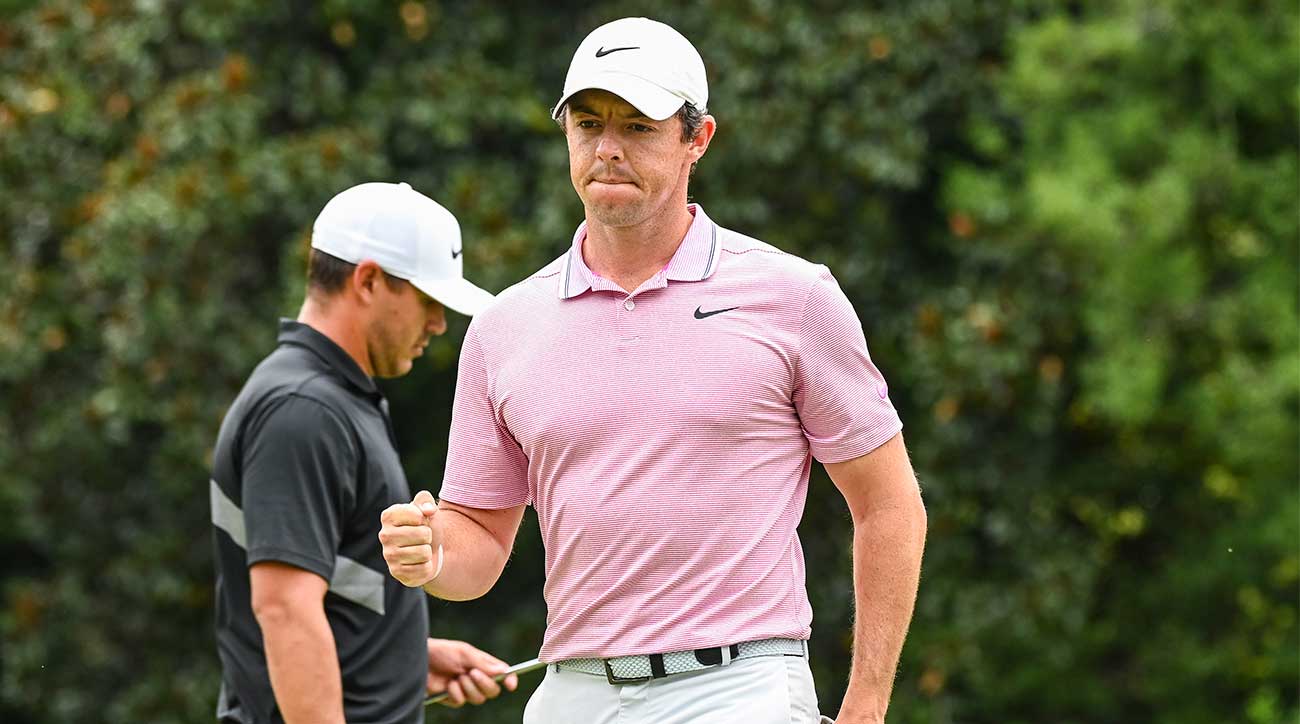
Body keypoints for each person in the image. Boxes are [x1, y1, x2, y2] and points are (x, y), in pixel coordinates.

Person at [379, 16, 926, 724]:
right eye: (588, 124)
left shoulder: (795, 299)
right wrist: (430, 554)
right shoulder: (503, 327)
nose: (607, 149)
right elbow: (479, 544)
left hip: (739, 687)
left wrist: (867, 705)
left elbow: (888, 505)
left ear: (697, 140)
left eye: (638, 127)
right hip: (572, 692)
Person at [209, 182, 517, 724]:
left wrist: (403, 657)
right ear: (369, 281)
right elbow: (285, 610)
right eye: (427, 301)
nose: (439, 325)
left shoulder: (334, 399)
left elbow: (329, 585)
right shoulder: (303, 410)